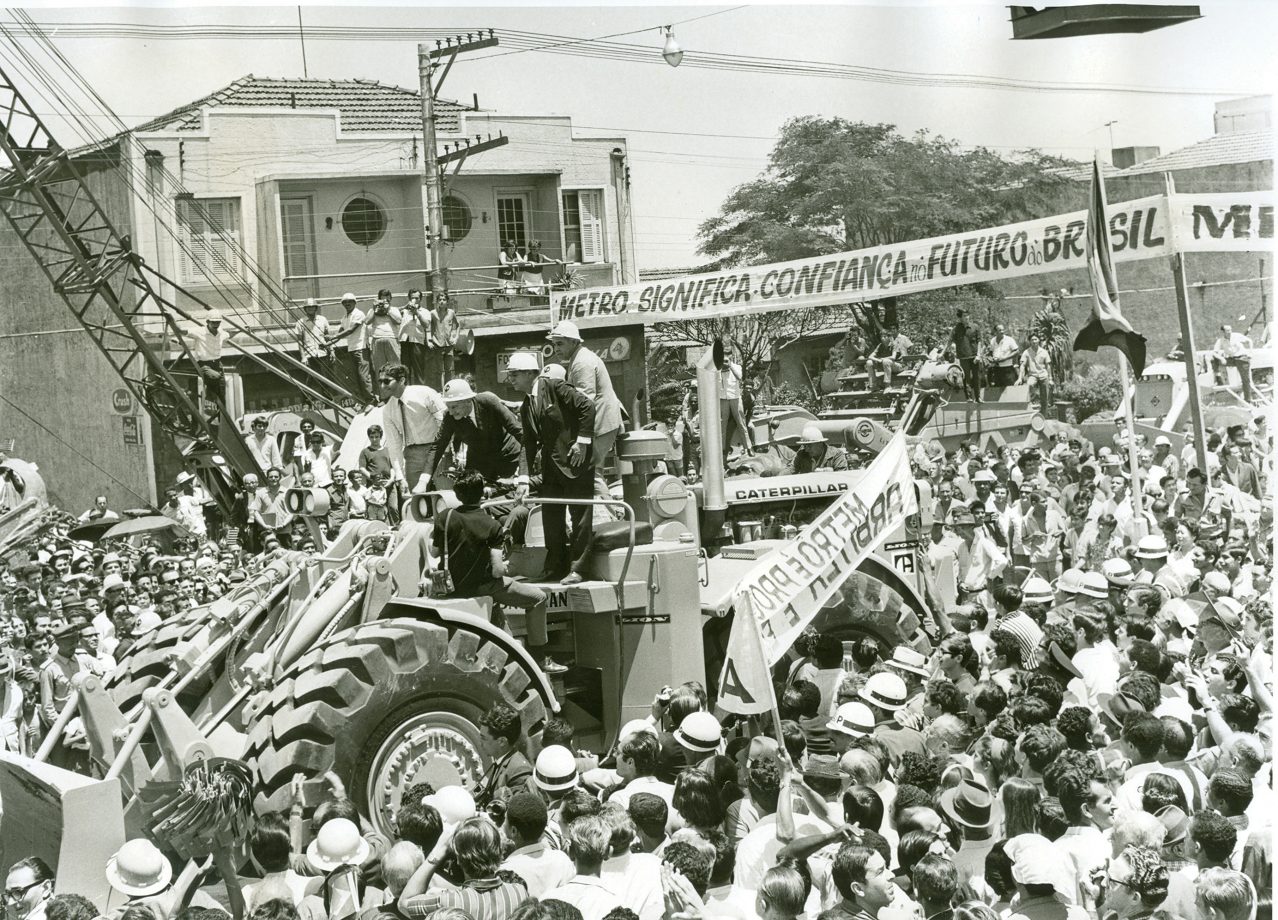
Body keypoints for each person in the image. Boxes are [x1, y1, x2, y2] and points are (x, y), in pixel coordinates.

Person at [432, 471, 548, 651]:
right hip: (481, 587)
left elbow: (434, 552)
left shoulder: (445, 517)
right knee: (539, 598)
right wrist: (506, 567)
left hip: (451, 586)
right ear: (482, 494)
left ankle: (507, 648)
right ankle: (540, 656)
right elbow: (497, 571)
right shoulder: (492, 525)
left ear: (458, 494)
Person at [507, 351, 596, 585]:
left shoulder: (555, 386)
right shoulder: (527, 404)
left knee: (581, 517)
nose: (511, 379)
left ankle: (579, 569)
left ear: (529, 373)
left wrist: (583, 442)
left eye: (514, 374)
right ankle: (555, 567)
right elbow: (527, 442)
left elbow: (587, 406)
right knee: (550, 517)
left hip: (575, 464)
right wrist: (523, 480)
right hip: (551, 468)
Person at [547, 321, 625, 502]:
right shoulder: (579, 358)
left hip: (601, 423)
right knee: (593, 471)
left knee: (591, 471)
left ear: (574, 342)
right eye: (554, 344)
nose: (556, 349)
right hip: (602, 423)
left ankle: (613, 516)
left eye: (560, 343)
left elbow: (584, 403)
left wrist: (581, 440)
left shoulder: (581, 362)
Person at [427, 379, 524, 485]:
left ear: (468, 400)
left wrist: (526, 467)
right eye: (448, 407)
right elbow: (438, 446)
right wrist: (424, 480)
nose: (451, 412)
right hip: (481, 463)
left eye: (454, 407)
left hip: (508, 457)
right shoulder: (450, 416)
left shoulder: (488, 401)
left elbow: (518, 431)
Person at [379, 364, 447, 496]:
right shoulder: (388, 410)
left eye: (387, 381)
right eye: (380, 381)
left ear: (402, 380)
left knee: (445, 497)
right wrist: (400, 476)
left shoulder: (425, 393)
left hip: (437, 450)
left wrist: (446, 451)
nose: (382, 386)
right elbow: (394, 445)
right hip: (412, 456)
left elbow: (444, 423)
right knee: (417, 501)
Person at [330, 293, 373, 403]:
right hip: (351, 350)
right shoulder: (344, 318)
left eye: (350, 301)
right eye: (345, 302)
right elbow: (340, 334)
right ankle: (362, 401)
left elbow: (350, 330)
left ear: (354, 302)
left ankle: (371, 400)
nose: (347, 303)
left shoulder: (359, 314)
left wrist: (334, 336)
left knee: (364, 377)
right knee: (354, 378)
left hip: (361, 348)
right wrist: (328, 343)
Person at [719, 341, 752, 457]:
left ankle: (748, 447)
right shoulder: (718, 369)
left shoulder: (736, 367)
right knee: (722, 425)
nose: (725, 360)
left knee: (741, 423)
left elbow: (740, 377)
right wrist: (720, 368)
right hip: (723, 399)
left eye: (727, 355)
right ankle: (723, 448)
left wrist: (730, 365)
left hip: (735, 398)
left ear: (730, 356)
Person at [190, 310, 229, 406]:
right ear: (207, 322)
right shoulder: (199, 331)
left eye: (218, 322)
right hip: (204, 365)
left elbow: (229, 335)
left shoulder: (221, 333)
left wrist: (241, 330)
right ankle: (208, 399)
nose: (216, 324)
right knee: (215, 377)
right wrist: (171, 319)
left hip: (217, 364)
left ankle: (221, 414)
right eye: (213, 322)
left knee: (222, 391)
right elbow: (182, 331)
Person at [294, 299, 333, 387]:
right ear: (305, 309)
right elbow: (300, 341)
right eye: (308, 307)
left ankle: (328, 399)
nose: (310, 309)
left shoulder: (323, 320)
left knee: (326, 378)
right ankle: (307, 400)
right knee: (309, 378)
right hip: (309, 355)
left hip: (323, 353)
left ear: (316, 308)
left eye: (312, 307)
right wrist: (303, 357)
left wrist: (332, 351)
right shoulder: (300, 322)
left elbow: (327, 336)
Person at [397, 288, 430, 385]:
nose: (414, 300)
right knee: (405, 370)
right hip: (405, 342)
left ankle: (420, 392)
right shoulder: (404, 311)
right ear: (409, 298)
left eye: (417, 298)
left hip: (417, 343)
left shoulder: (425, 311)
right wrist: (404, 307)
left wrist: (417, 313)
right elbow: (391, 312)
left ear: (420, 299)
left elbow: (426, 325)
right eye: (412, 298)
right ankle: (406, 393)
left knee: (419, 370)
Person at [949, 309, 980, 401]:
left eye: (967, 315)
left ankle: (978, 397)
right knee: (966, 378)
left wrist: (978, 355)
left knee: (976, 377)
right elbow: (949, 341)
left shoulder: (975, 327)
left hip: (974, 356)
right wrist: (942, 353)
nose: (967, 317)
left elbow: (979, 341)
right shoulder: (956, 329)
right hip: (963, 357)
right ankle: (969, 397)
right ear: (960, 318)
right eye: (964, 316)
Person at [1018, 333, 1052, 409]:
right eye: (1032, 340)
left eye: (1035, 339)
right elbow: (1022, 365)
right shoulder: (1026, 352)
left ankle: (1044, 415)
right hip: (1033, 376)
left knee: (1045, 398)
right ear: (1030, 341)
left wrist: (1050, 379)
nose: (1034, 341)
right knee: (1028, 386)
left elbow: (1048, 366)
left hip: (1043, 375)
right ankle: (1028, 408)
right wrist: (1020, 378)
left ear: (1039, 340)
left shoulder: (1044, 352)